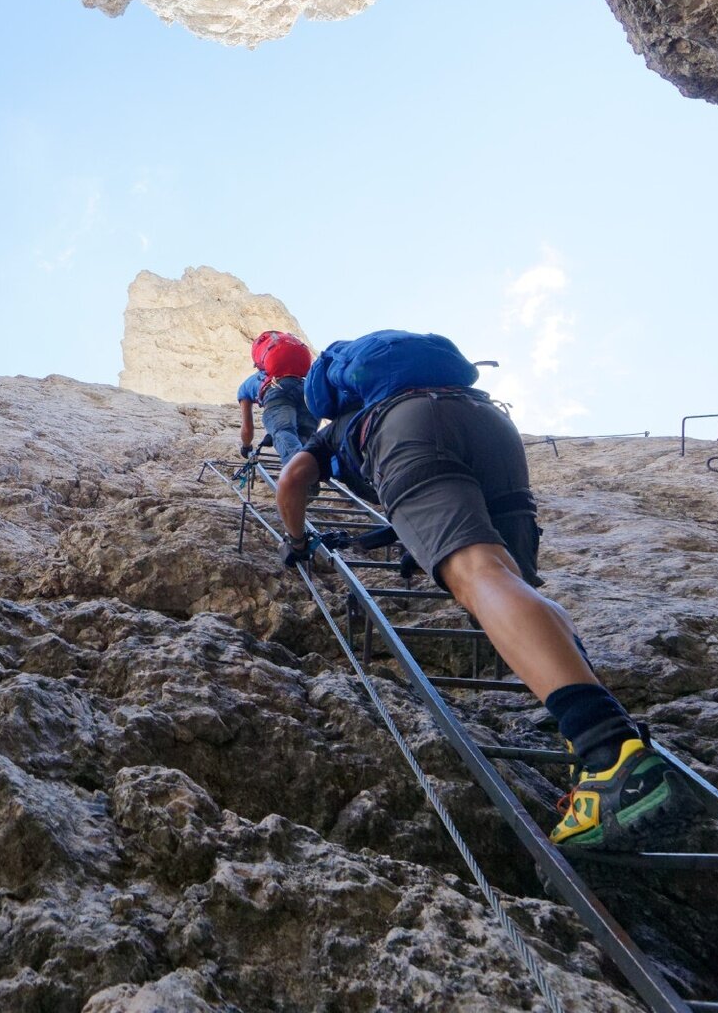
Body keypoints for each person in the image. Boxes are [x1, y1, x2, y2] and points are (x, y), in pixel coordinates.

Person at [273, 329, 695, 849]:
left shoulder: (343, 425)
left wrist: (296, 541)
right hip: (494, 426)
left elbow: (292, 479)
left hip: (410, 431)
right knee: (509, 581)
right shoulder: (440, 386)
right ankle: (603, 730)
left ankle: (607, 754)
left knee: (479, 573)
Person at [238, 331, 320, 466]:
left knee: (283, 431)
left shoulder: (249, 384)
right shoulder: (300, 374)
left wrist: (246, 447)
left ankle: (300, 469)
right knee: (305, 437)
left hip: (278, 391)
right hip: (307, 391)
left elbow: (247, 428)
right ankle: (309, 479)